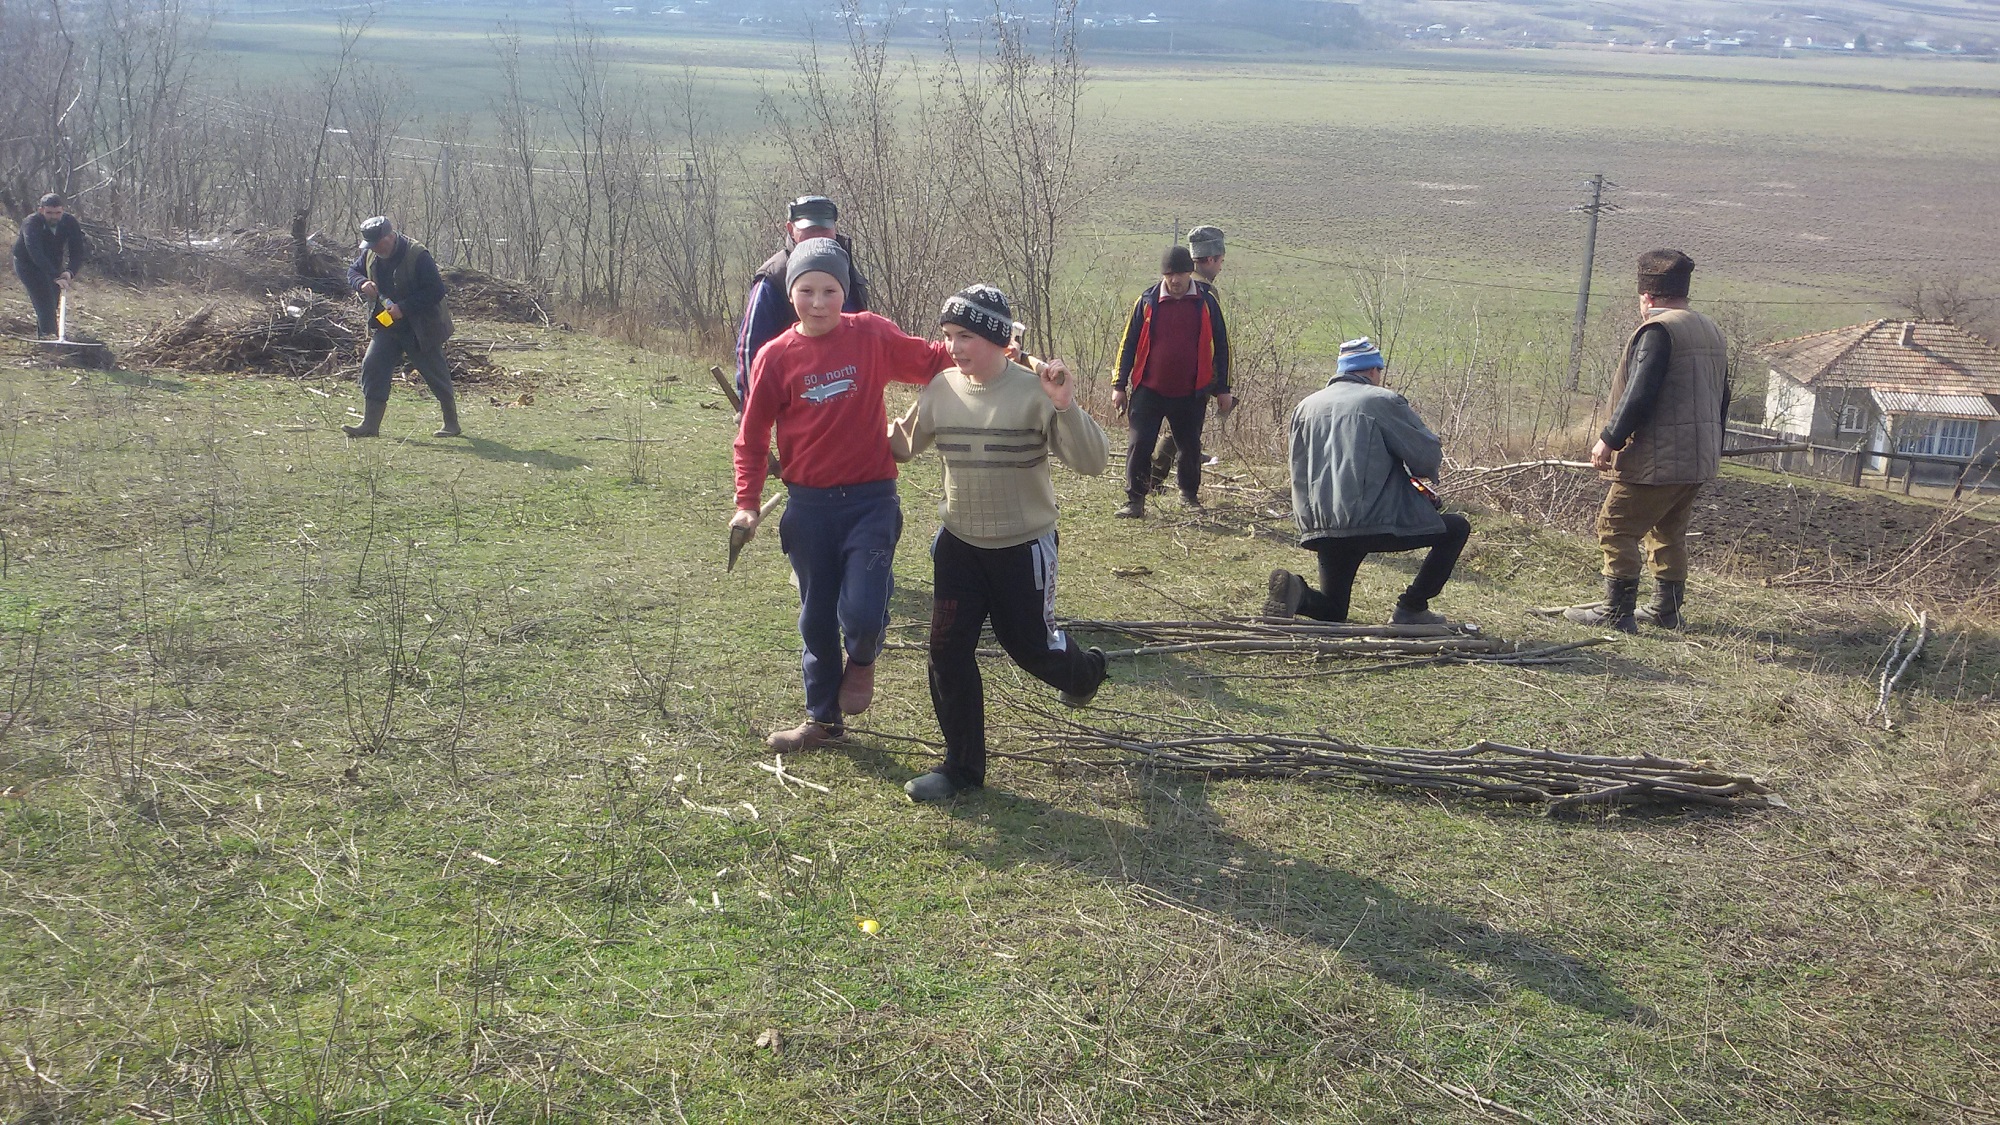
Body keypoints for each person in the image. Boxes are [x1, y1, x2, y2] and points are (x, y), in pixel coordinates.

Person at [888, 285, 1110, 803]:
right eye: (948, 336)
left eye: (965, 335)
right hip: (959, 546)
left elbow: (1093, 462)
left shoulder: (1035, 391)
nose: (955, 347)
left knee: (1028, 648)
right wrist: (844, 424)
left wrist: (1066, 404)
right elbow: (900, 446)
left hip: (1023, 547)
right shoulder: (940, 388)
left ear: (996, 337)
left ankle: (1085, 672)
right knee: (946, 653)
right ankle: (961, 768)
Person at [731, 238, 953, 753]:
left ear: (844, 291)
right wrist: (746, 501)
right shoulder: (775, 357)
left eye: (830, 290)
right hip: (808, 507)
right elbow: (751, 434)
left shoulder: (871, 334)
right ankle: (823, 722)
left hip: (871, 501)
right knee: (815, 617)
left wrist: (992, 343)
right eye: (806, 290)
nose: (818, 302)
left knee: (861, 610)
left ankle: (865, 653)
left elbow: (932, 359)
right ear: (791, 295)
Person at [1564, 249, 1728, 632]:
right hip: (1697, 459)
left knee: (1616, 527)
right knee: (1668, 531)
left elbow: (1639, 392)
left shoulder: (1658, 330)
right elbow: (1723, 397)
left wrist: (1609, 439)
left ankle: (1616, 613)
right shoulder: (1710, 329)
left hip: (1659, 459)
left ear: (1647, 296)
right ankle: (1665, 611)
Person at [1265, 338, 1472, 626]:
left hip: (1320, 525)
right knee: (1456, 528)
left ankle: (1298, 593)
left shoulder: (1305, 407)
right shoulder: (1380, 401)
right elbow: (1425, 457)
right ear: (1373, 370)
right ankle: (1412, 607)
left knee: (1334, 611)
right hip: (1374, 521)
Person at [1112, 245, 1232, 518]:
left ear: (1190, 272)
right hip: (1149, 389)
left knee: (1190, 446)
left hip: (1191, 391)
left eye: (1179, 274)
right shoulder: (1147, 301)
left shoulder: (1207, 302)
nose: (1175, 280)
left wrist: (1223, 388)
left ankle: (1188, 497)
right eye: (1169, 275)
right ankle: (1135, 501)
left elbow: (1222, 346)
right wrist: (1118, 385)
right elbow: (1127, 344)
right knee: (1139, 444)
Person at [733, 195, 872, 407]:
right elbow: (749, 350)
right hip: (799, 401)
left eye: (824, 229)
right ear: (790, 229)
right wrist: (753, 407)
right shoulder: (773, 278)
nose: (817, 235)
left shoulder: (845, 267)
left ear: (835, 228)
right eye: (809, 230)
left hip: (849, 398)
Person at [343, 216, 459, 439]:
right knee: (373, 364)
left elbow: (435, 291)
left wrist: (404, 308)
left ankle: (451, 424)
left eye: (379, 243)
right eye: (371, 245)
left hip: (421, 324)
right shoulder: (369, 253)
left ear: (390, 236)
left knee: (435, 373)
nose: (375, 249)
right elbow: (352, 272)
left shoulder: (418, 255)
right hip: (388, 323)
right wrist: (362, 283)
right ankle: (370, 425)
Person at [1148, 225, 1228, 494]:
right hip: (1192, 379)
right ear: (1209, 260)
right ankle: (1154, 479)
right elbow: (1212, 343)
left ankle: (1154, 479)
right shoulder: (1203, 294)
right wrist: (1217, 383)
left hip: (1186, 377)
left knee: (1181, 432)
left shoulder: (1184, 286)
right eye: (1219, 261)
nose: (1220, 268)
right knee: (1183, 434)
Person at [12, 193, 86, 339]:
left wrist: (69, 272)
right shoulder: (31, 223)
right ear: (41, 210)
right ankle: (49, 341)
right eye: (49, 213)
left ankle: (46, 334)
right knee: (44, 302)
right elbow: (34, 251)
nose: (54, 217)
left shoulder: (69, 222)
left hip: (52, 264)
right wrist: (55, 276)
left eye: (58, 213)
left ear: (63, 210)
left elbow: (77, 250)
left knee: (53, 301)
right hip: (28, 265)